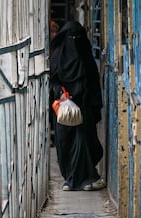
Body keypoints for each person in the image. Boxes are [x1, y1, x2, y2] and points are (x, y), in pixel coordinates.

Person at [50, 21, 105, 191]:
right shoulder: (59, 56)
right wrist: (62, 94)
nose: (74, 41)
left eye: (77, 38)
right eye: (71, 38)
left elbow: (93, 83)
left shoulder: (84, 55)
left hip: (83, 107)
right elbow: (53, 80)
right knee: (69, 144)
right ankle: (79, 179)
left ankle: (79, 180)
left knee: (84, 143)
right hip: (66, 109)